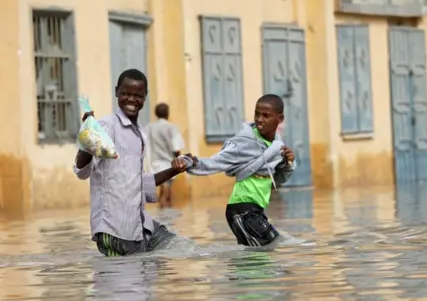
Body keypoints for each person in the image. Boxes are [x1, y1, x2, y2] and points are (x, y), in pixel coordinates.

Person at [73, 68, 189, 256]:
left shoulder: (139, 133)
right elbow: (81, 170)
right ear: (117, 92)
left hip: (139, 227)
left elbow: (139, 183)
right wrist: (87, 141)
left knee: (183, 250)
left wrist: (175, 170)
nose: (131, 100)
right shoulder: (107, 127)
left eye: (138, 95)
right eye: (126, 94)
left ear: (145, 97)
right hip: (114, 231)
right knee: (126, 281)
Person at [173, 94, 296, 248]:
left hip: (256, 210)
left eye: (265, 115)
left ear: (280, 118)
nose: (259, 119)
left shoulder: (277, 147)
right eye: (257, 114)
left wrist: (288, 163)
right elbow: (216, 161)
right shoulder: (243, 143)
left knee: (256, 260)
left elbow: (277, 180)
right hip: (242, 209)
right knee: (277, 245)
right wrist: (189, 162)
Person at [144, 103, 185, 208]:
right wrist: (179, 161)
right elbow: (176, 148)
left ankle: (164, 217)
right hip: (168, 164)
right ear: (167, 113)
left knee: (165, 193)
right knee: (165, 196)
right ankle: (165, 219)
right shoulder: (171, 128)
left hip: (154, 163)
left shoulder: (149, 127)